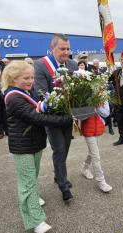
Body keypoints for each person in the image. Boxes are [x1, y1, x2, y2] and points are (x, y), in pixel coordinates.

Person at [3, 60, 72, 233]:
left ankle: (32, 199)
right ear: (13, 78)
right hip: (23, 145)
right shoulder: (13, 97)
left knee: (31, 178)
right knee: (26, 183)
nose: (30, 81)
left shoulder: (27, 91)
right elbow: (36, 117)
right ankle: (36, 220)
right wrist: (64, 119)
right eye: (26, 77)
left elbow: (42, 107)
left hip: (34, 143)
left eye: (32, 77)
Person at [32, 33, 78, 201]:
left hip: (68, 117)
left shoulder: (72, 64)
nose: (66, 52)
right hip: (51, 117)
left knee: (64, 148)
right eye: (62, 49)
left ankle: (58, 174)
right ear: (53, 48)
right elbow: (40, 93)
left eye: (68, 48)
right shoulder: (40, 65)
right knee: (58, 149)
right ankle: (63, 186)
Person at [80, 102, 112, 192]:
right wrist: (90, 107)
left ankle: (85, 168)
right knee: (96, 156)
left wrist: (97, 107)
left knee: (93, 152)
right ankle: (101, 180)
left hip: (98, 128)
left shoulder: (102, 95)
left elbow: (106, 113)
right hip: (88, 128)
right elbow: (81, 115)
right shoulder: (83, 95)